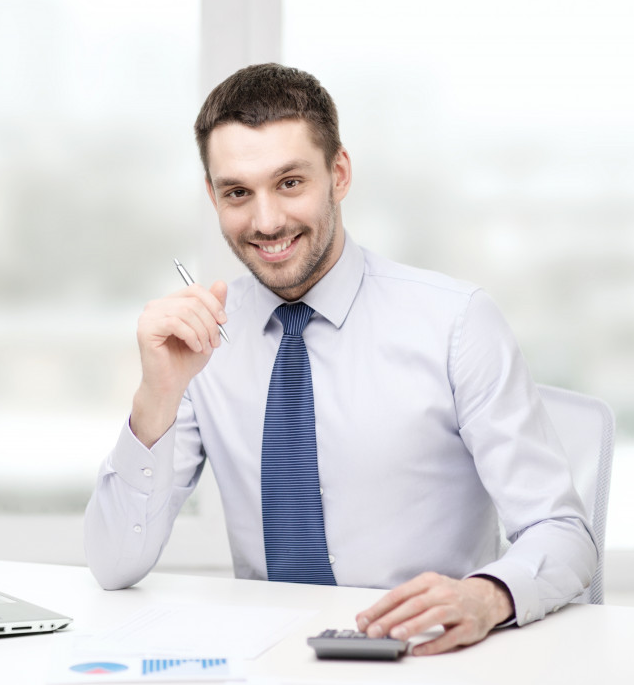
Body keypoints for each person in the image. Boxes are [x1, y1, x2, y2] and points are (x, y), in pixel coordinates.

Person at [84, 64, 597, 655]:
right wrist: (158, 397)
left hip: (425, 658)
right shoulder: (204, 340)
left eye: (290, 183)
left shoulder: (455, 323)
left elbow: (564, 533)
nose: (267, 220)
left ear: (339, 174)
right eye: (237, 193)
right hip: (270, 660)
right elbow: (113, 564)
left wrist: (485, 596)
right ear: (213, 196)